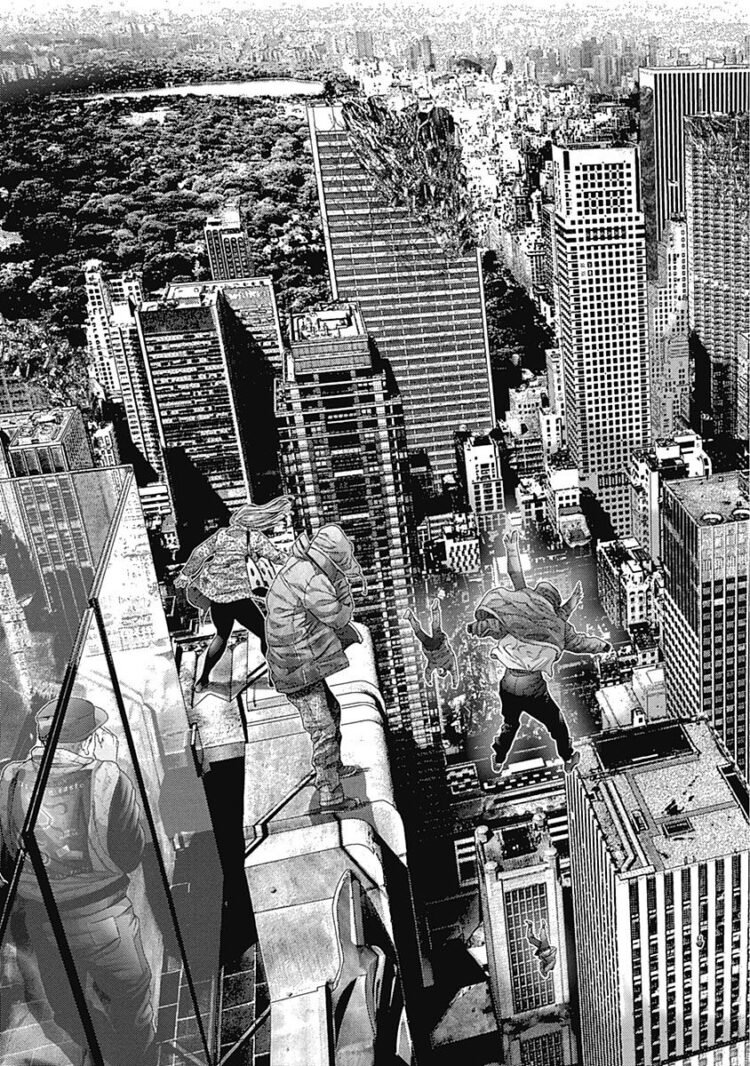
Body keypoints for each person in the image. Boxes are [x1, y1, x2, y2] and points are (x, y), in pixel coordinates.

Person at [0, 697, 157, 1066]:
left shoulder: (8, 781)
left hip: (44, 921)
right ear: (89, 741)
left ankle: (105, 1055)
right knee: (131, 1001)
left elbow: (5, 861)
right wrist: (109, 767)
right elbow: (130, 855)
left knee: (68, 1008)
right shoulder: (110, 780)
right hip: (106, 920)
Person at [468, 530, 610, 774]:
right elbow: (579, 642)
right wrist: (603, 646)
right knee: (556, 723)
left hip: (508, 681)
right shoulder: (558, 627)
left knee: (510, 724)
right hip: (532, 686)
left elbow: (516, 575)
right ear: (553, 603)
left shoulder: (523, 605)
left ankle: (499, 759)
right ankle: (568, 758)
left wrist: (511, 547)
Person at [265, 524, 365, 812]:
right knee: (324, 729)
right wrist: (345, 590)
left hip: (294, 661)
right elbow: (338, 617)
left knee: (332, 712)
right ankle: (330, 794)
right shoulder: (312, 579)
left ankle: (335, 768)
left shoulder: (300, 566)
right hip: (298, 668)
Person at [174, 496, 292, 691]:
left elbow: (199, 553)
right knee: (266, 635)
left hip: (217, 597)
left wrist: (185, 575)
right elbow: (276, 556)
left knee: (221, 636)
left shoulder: (221, 534)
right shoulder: (252, 537)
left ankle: (202, 680)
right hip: (238, 598)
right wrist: (296, 559)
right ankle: (275, 676)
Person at [406, 599, 458, 686]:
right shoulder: (450, 664)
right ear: (444, 671)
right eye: (441, 672)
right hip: (440, 644)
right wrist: (455, 683)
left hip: (430, 647)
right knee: (435, 626)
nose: (438, 671)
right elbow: (454, 672)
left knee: (419, 633)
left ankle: (410, 616)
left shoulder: (433, 665)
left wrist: (429, 680)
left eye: (438, 672)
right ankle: (435, 609)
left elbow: (428, 672)